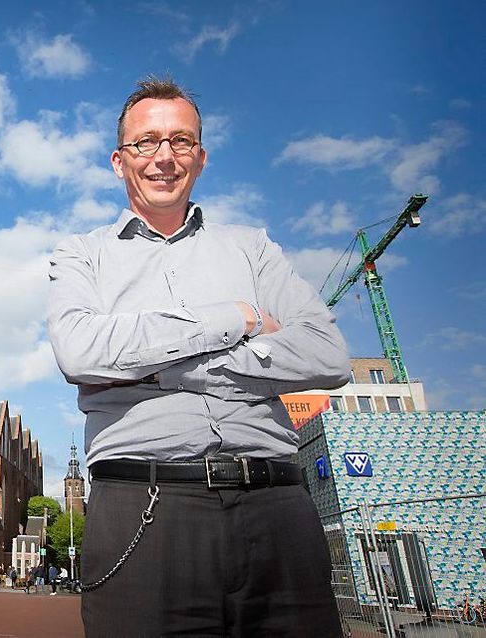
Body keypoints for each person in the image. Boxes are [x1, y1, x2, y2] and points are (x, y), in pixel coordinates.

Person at [46, 76, 350, 637]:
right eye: (146, 143)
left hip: (277, 505)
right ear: (120, 161)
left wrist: (160, 367)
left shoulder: (253, 247)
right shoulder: (82, 253)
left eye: (181, 141)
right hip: (146, 507)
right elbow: (80, 351)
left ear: (201, 157)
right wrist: (236, 319)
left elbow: (328, 356)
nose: (164, 156)